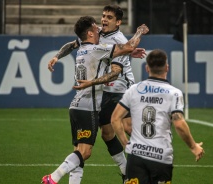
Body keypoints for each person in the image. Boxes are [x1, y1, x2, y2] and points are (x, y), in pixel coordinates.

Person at [41, 16, 149, 184]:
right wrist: (139, 32)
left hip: (75, 106)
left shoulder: (83, 49)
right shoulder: (97, 49)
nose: (99, 29)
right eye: (95, 28)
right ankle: (52, 178)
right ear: (90, 34)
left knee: (78, 151)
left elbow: (118, 52)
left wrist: (127, 52)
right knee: (85, 152)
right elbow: (128, 46)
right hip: (88, 107)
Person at [111, 49, 205, 184]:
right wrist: (193, 146)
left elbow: (115, 119)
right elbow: (179, 124)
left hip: (136, 155)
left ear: (147, 68)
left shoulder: (134, 90)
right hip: (161, 157)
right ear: (167, 68)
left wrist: (126, 144)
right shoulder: (174, 93)